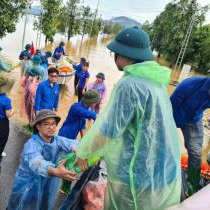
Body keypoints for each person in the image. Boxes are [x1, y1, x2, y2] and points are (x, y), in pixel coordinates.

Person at [75, 27, 181, 209]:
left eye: (115, 53)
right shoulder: (156, 82)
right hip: (163, 173)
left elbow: (108, 130)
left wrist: (84, 152)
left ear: (123, 55)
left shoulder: (130, 85)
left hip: (137, 177)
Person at [7, 110, 78, 210]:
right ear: (38, 126)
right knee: (22, 206)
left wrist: (79, 151)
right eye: (47, 124)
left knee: (44, 205)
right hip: (28, 186)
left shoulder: (57, 140)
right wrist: (54, 170)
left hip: (48, 185)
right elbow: (36, 162)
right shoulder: (31, 145)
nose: (51, 127)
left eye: (54, 124)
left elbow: (71, 143)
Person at [170, 76, 210, 196]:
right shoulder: (189, 85)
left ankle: (192, 185)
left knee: (196, 153)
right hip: (174, 115)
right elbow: (169, 105)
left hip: (194, 119)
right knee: (162, 144)